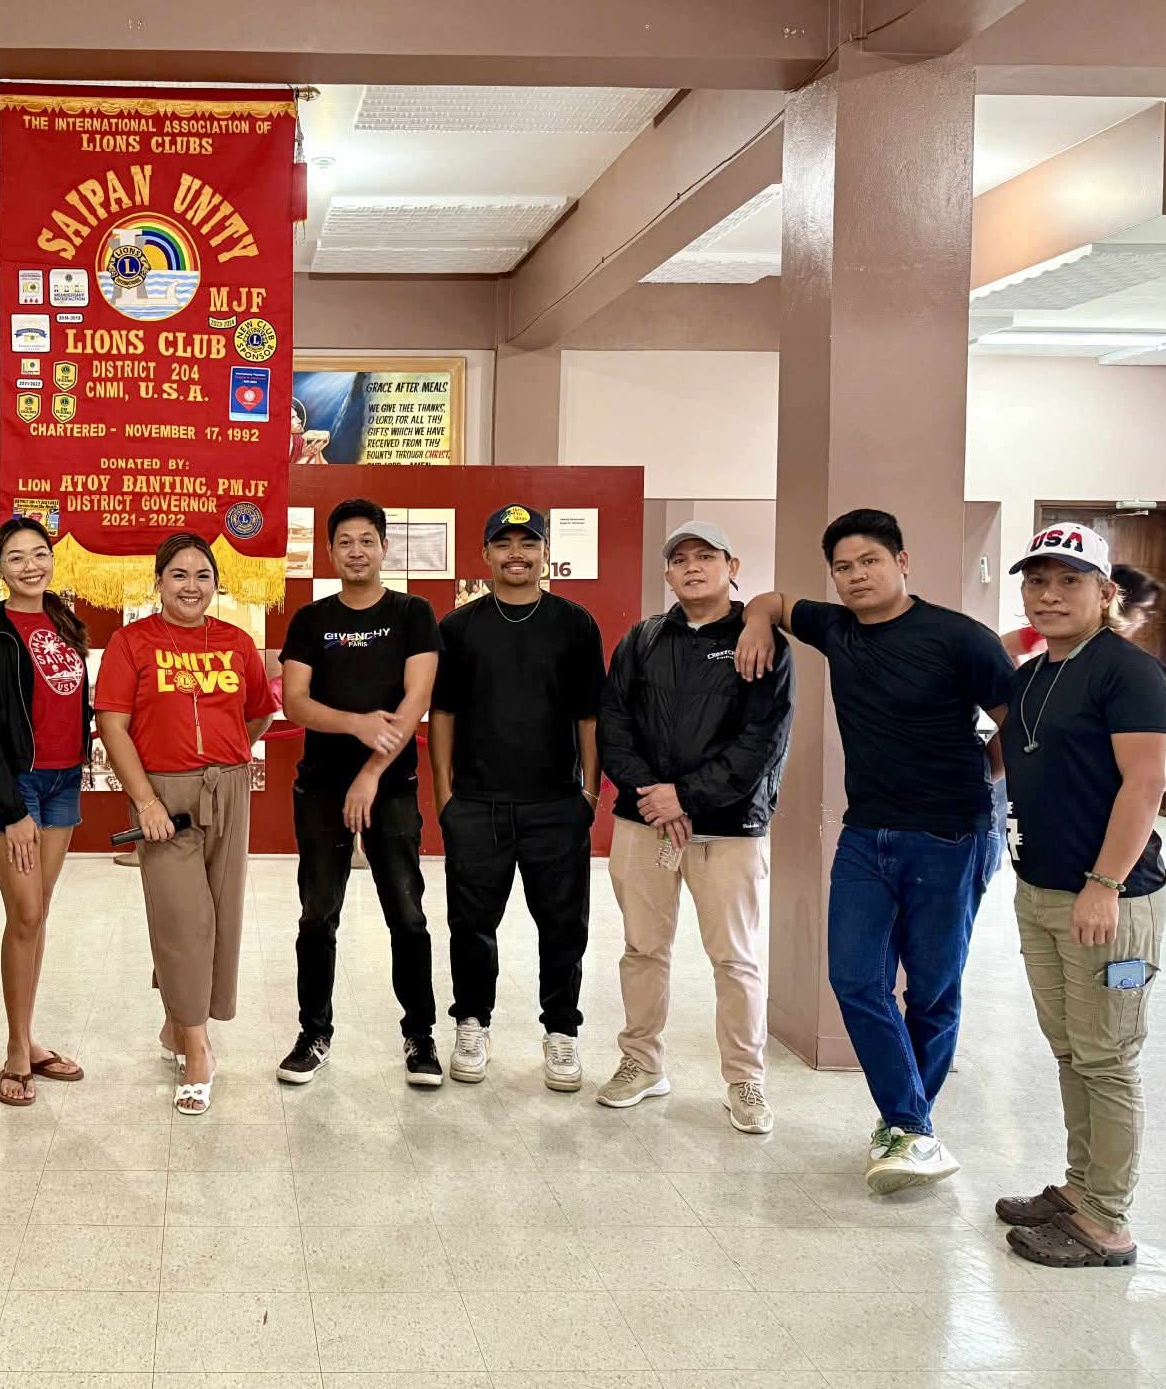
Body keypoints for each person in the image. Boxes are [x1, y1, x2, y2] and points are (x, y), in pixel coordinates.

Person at [737, 508, 1014, 1192]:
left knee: (933, 990)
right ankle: (912, 1126)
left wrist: (979, 776)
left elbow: (1018, 727)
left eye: (870, 561)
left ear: (902, 562)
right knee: (855, 979)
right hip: (865, 834)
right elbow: (772, 600)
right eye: (843, 567)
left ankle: (906, 1127)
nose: (856, 575)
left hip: (951, 837)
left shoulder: (960, 638)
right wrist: (755, 622)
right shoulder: (836, 628)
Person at [992, 525, 1166, 1269]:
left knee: (1108, 1058)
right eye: (1037, 581)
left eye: (1069, 580)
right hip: (1041, 891)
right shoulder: (1034, 674)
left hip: (1111, 901)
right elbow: (1006, 760)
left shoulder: (1130, 673)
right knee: (1071, 1050)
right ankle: (1081, 1190)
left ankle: (1108, 1223)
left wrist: (1103, 885)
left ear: (1105, 593)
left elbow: (1146, 783)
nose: (1049, 594)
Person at [597, 521, 794, 1134]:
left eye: (705, 556)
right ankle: (641, 1062)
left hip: (728, 828)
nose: (692, 566)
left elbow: (761, 740)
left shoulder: (759, 640)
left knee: (734, 959)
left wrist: (684, 797)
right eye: (680, 558)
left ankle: (745, 1081)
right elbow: (614, 725)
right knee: (642, 949)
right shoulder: (643, 639)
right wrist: (654, 797)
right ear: (667, 573)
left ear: (731, 566)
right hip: (644, 823)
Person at [96, 533, 278, 1115]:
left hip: (227, 789)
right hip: (163, 796)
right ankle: (199, 1051)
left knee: (220, 913)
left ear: (216, 584)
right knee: (183, 917)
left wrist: (227, 759)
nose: (191, 586)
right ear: (159, 582)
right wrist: (145, 800)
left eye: (203, 575)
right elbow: (113, 726)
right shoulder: (131, 643)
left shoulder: (236, 642)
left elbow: (257, 714)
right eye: (179, 574)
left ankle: (178, 1023)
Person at [431, 504, 605, 1093]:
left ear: (544, 554)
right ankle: (472, 1024)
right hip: (477, 805)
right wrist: (445, 796)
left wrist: (589, 792)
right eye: (503, 544)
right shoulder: (459, 628)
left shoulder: (575, 624)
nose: (516, 555)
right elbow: (443, 714)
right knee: (471, 925)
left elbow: (590, 716)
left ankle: (561, 1031)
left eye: (528, 544)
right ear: (485, 555)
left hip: (555, 805)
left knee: (563, 928)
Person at [276, 497, 443, 1088]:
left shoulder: (412, 613)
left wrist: (371, 773)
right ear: (329, 551)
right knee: (317, 915)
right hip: (321, 789)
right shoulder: (311, 620)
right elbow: (295, 703)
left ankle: (420, 1037)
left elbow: (416, 701)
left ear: (384, 547)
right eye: (345, 542)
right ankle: (313, 1034)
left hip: (390, 789)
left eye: (367, 540)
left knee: (408, 916)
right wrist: (355, 724)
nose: (356, 551)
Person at [0, 517, 92, 1108]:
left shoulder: (64, 622)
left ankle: (30, 1037)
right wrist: (13, 809)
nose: (30, 566)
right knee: (26, 913)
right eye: (15, 557)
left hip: (64, 779)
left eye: (39, 554)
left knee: (38, 914)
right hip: (15, 786)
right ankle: (16, 1049)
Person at [1004, 561, 1161, 663]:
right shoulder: (1054, 635)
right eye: (1143, 609)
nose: (1143, 618)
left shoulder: (1132, 665)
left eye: (1069, 581)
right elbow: (1002, 646)